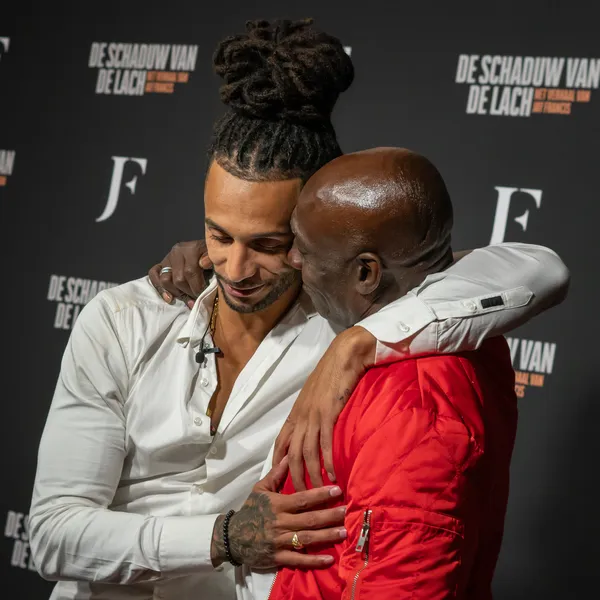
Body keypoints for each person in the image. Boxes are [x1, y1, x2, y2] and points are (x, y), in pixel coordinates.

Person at [29, 17, 568, 600]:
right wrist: (222, 537)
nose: (236, 269)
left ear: (312, 230)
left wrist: (357, 343)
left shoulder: (350, 318)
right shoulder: (121, 319)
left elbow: (540, 270)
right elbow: (54, 537)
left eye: (267, 244)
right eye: (218, 235)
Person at [234, 147, 519, 600]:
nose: (292, 260)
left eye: (305, 249)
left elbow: (404, 585)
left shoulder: (417, 405)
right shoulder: (425, 342)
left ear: (366, 273)